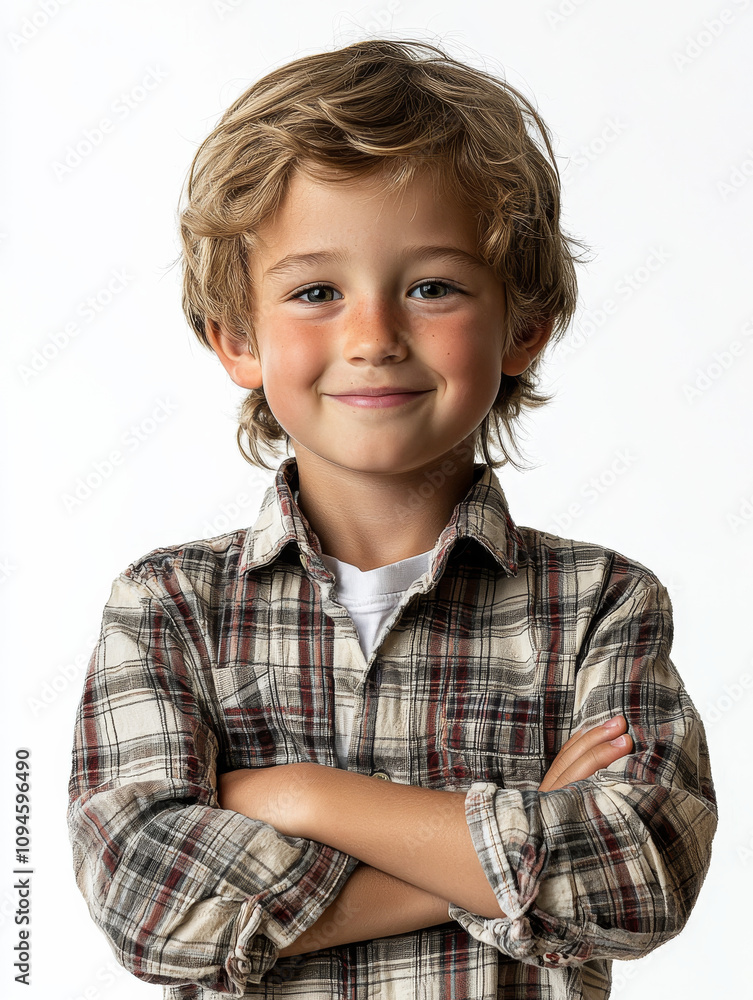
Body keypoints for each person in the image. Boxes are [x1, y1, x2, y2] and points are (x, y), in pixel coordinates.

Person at [66, 37, 717, 1000]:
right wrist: (511, 837)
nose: (372, 336)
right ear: (237, 338)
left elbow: (638, 877)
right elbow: (150, 903)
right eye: (317, 291)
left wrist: (299, 797)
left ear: (523, 328)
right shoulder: (166, 606)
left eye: (432, 287)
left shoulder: (601, 605)